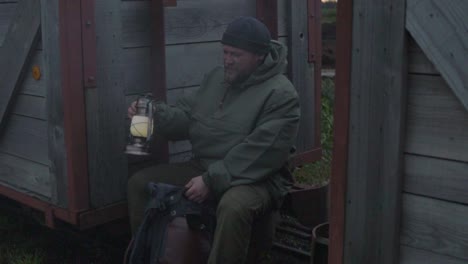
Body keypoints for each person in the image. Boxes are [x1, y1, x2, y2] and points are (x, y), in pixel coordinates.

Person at [127, 16, 300, 264]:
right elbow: (186, 118)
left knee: (232, 206)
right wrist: (154, 113)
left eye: (236, 55)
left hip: (257, 178)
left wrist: (211, 180)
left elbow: (263, 152)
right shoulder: (217, 78)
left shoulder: (281, 94)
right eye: (225, 52)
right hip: (204, 167)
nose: (227, 60)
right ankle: (148, 255)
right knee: (140, 183)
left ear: (259, 56)